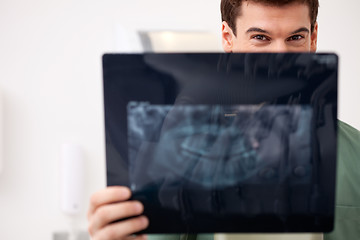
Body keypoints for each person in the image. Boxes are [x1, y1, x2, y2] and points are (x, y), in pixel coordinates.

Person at [87, 0, 360, 239]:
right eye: (261, 38)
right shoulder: (180, 146)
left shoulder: (356, 154)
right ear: (228, 39)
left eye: (295, 38)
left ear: (313, 39)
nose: (281, 56)